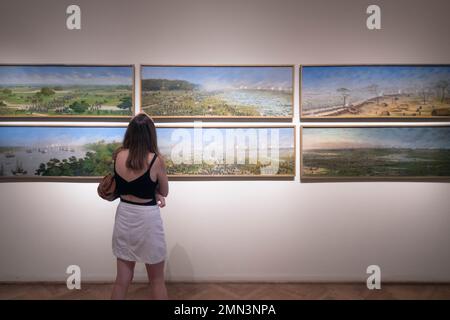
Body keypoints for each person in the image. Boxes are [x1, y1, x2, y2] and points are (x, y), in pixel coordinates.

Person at [110, 112, 169, 300]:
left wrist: (153, 191)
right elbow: (165, 191)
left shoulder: (118, 156)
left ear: (130, 132)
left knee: (122, 280)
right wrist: (157, 192)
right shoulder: (155, 160)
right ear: (150, 134)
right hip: (147, 220)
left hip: (125, 215)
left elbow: (129, 186)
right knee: (157, 280)